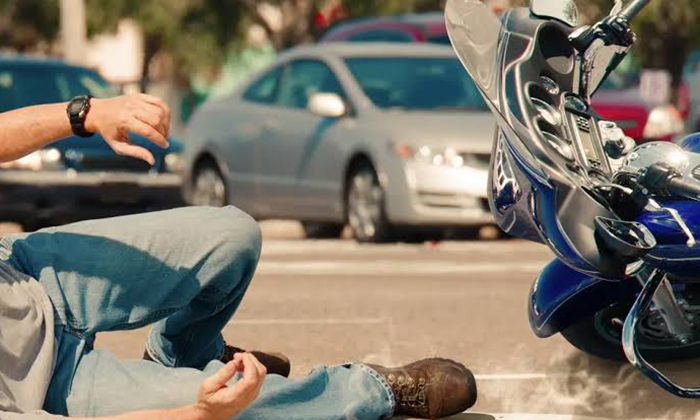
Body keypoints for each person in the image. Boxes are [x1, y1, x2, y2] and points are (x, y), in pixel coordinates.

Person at [0, 94, 477, 420]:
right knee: (233, 404)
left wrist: (86, 113)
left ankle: (181, 352)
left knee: (232, 235)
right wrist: (195, 414)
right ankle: (376, 391)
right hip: (47, 383)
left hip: (32, 273)